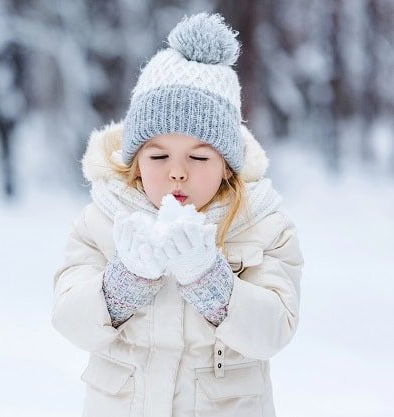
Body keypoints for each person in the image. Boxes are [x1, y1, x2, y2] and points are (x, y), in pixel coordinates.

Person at [51, 12, 304, 417]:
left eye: (199, 156)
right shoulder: (102, 221)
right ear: (135, 160)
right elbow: (69, 318)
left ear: (227, 164)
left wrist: (211, 281)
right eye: (158, 155)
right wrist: (125, 281)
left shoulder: (263, 226)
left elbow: (274, 330)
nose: (177, 171)